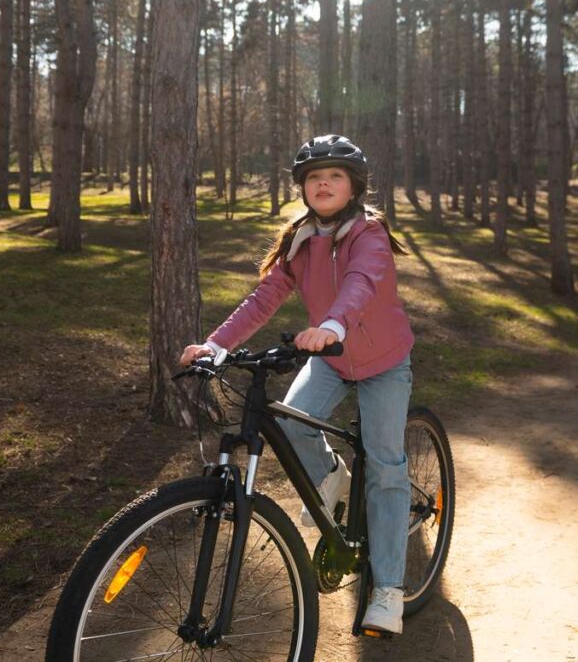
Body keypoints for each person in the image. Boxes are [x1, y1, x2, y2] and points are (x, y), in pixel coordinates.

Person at [178, 134, 415, 635]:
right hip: (330, 359)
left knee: (387, 468)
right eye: (313, 177)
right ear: (303, 189)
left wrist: (333, 325)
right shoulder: (300, 240)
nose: (323, 183)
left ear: (353, 187)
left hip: (382, 361)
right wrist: (216, 345)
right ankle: (333, 481)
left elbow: (363, 282)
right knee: (292, 423)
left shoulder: (367, 234)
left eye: (334, 176)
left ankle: (389, 589)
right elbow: (263, 299)